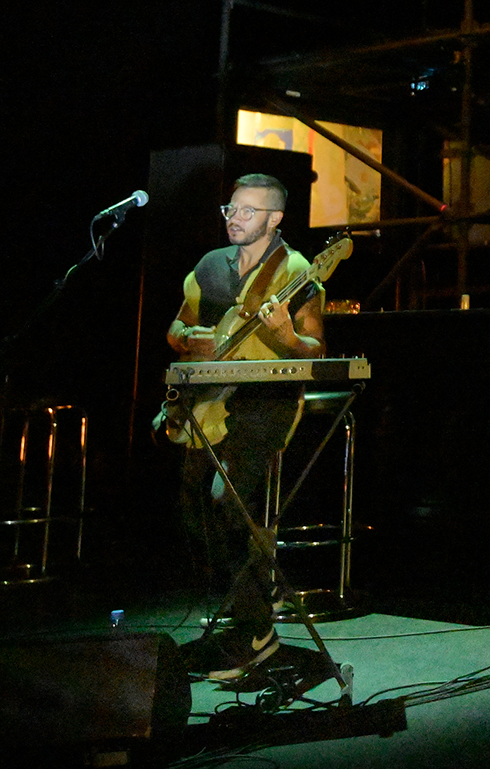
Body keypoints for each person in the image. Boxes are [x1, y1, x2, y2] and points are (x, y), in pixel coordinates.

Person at [167, 173, 324, 681]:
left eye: (248, 211)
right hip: (210, 400)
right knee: (194, 506)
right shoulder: (210, 266)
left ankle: (256, 631)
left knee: (227, 500)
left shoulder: (295, 270)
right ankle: (245, 608)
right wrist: (187, 338)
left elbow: (315, 348)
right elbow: (177, 326)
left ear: (275, 219)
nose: (235, 218)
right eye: (230, 209)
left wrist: (287, 337)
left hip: (264, 401)